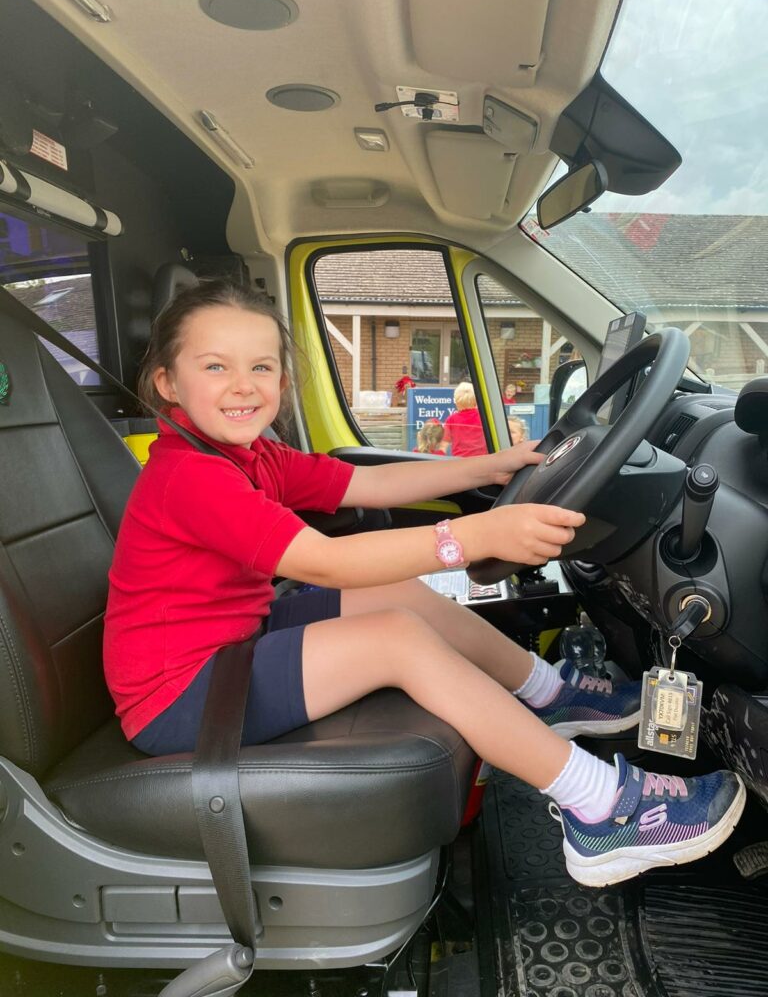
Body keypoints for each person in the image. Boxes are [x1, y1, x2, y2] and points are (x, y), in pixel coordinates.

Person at [104, 280, 745, 889]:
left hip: (235, 641)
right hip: (181, 697)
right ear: (167, 382)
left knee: (403, 595)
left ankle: (550, 696)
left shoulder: (248, 454)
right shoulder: (191, 478)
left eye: (262, 368)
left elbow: (366, 483)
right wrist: (474, 539)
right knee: (397, 639)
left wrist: (496, 466)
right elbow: (324, 562)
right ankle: (599, 809)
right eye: (216, 367)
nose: (244, 387)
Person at [442, 381, 488, 457]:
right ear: (476, 400)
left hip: (459, 461)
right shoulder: (483, 417)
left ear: (456, 401)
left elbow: (444, 443)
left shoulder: (451, 419)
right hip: (481, 460)